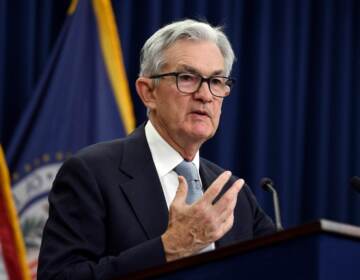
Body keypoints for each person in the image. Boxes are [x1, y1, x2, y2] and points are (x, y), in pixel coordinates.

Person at [37, 19, 275, 279]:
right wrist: (169, 249)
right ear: (148, 92)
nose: (205, 95)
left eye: (216, 81)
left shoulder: (234, 196)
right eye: (187, 78)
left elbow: (287, 264)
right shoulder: (92, 173)